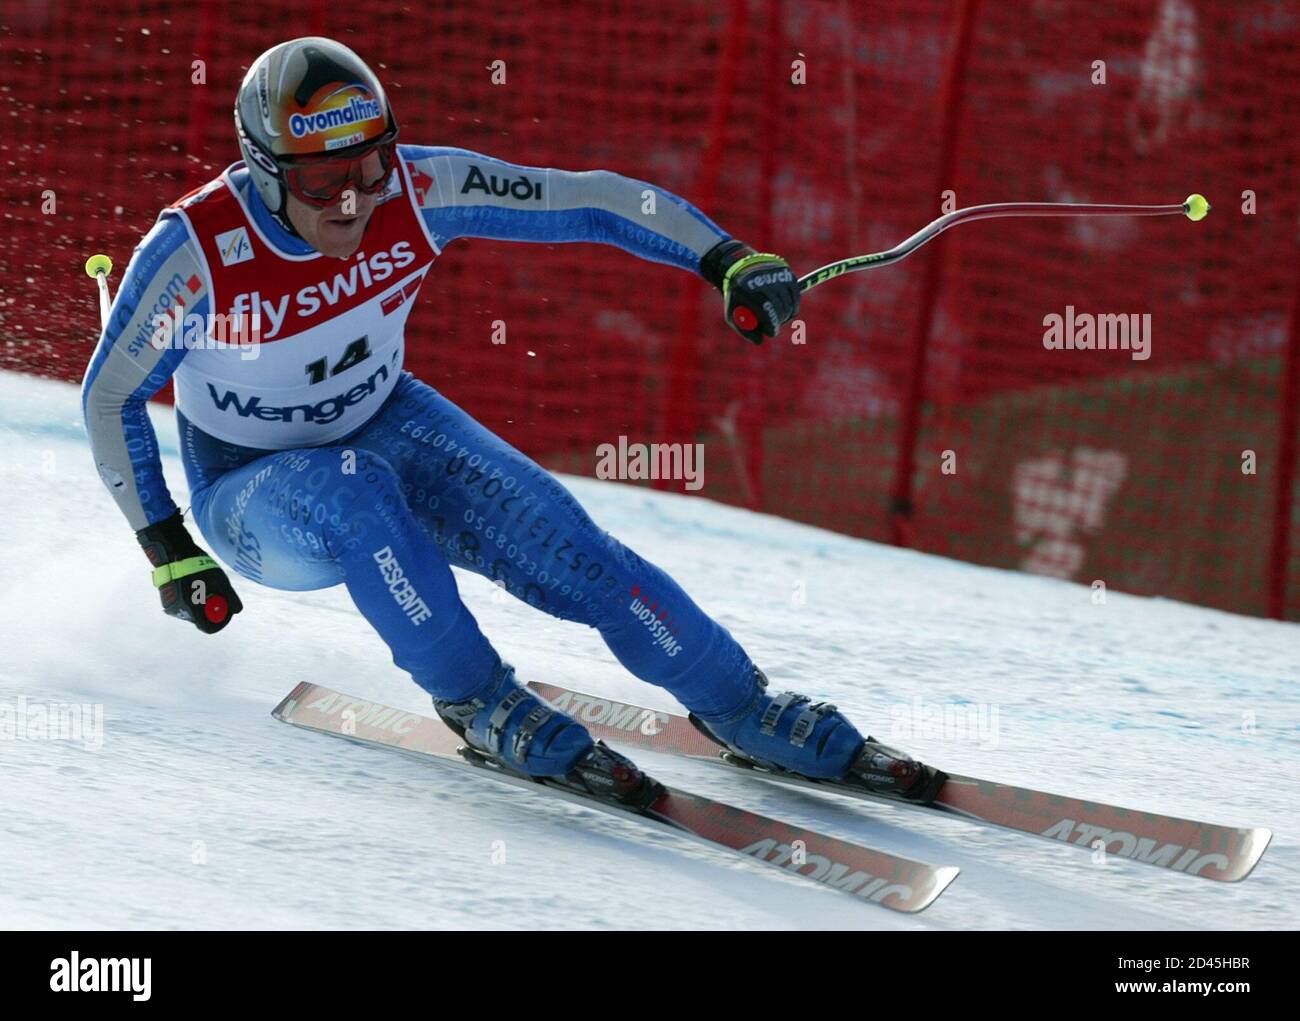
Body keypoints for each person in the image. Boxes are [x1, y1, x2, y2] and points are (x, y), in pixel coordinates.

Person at [83, 37, 936, 807]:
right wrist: (169, 548)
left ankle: (743, 707)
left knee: (573, 550)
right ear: (262, 168)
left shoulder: (418, 190)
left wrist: (726, 258)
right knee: (356, 493)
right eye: (318, 182)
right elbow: (109, 395)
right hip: (251, 491)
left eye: (368, 169)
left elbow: (590, 201)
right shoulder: (196, 251)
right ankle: (479, 699)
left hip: (385, 419)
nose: (351, 202)